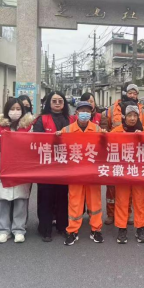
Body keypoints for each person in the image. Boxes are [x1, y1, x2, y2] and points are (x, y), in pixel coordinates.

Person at [0, 98, 34, 244]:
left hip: (21, 169)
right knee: (3, 201)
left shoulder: (29, 127)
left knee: (21, 200)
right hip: (4, 169)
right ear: (7, 110)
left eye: (18, 109)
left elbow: (33, 146)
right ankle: (3, 230)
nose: (15, 112)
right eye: (12, 109)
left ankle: (19, 230)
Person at [60, 101, 105, 246]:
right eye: (82, 110)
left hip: (93, 173)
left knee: (95, 202)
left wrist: (106, 136)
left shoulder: (97, 129)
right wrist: (56, 137)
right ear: (76, 113)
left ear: (91, 113)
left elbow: (107, 147)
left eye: (88, 111)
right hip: (75, 173)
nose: (85, 113)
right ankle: (72, 231)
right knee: (75, 202)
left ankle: (96, 229)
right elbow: (57, 146)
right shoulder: (67, 130)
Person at [105, 85, 144, 226]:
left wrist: (143, 136)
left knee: (136, 195)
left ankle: (130, 217)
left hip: (137, 162)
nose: (132, 118)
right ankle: (113, 216)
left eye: (135, 93)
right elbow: (106, 130)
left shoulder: (143, 113)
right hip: (118, 160)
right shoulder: (112, 110)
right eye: (130, 92)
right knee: (115, 192)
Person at [33, 91, 70, 242]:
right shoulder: (41, 120)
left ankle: (63, 226)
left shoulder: (70, 119)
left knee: (62, 196)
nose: (57, 103)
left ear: (64, 103)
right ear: (48, 103)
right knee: (45, 197)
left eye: (60, 101)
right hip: (46, 164)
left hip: (64, 165)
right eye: (54, 101)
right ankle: (45, 228)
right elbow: (35, 140)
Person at [110, 102, 144, 244]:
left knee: (140, 200)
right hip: (122, 172)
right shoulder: (116, 132)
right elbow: (106, 146)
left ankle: (140, 228)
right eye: (129, 115)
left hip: (139, 172)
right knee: (122, 200)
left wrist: (143, 138)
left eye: (135, 115)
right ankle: (122, 228)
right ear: (124, 117)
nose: (132, 118)